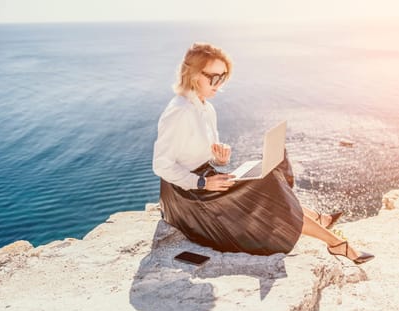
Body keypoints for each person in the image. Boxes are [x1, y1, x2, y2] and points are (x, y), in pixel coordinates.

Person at [152, 42, 374, 265]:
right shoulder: (178, 112)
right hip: (185, 196)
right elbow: (161, 165)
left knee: (271, 174)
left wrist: (219, 159)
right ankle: (335, 243)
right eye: (214, 77)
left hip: (206, 179)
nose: (219, 84)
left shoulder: (206, 108)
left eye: (223, 77)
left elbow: (201, 154)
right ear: (192, 74)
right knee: (266, 191)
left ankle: (320, 221)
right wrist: (202, 183)